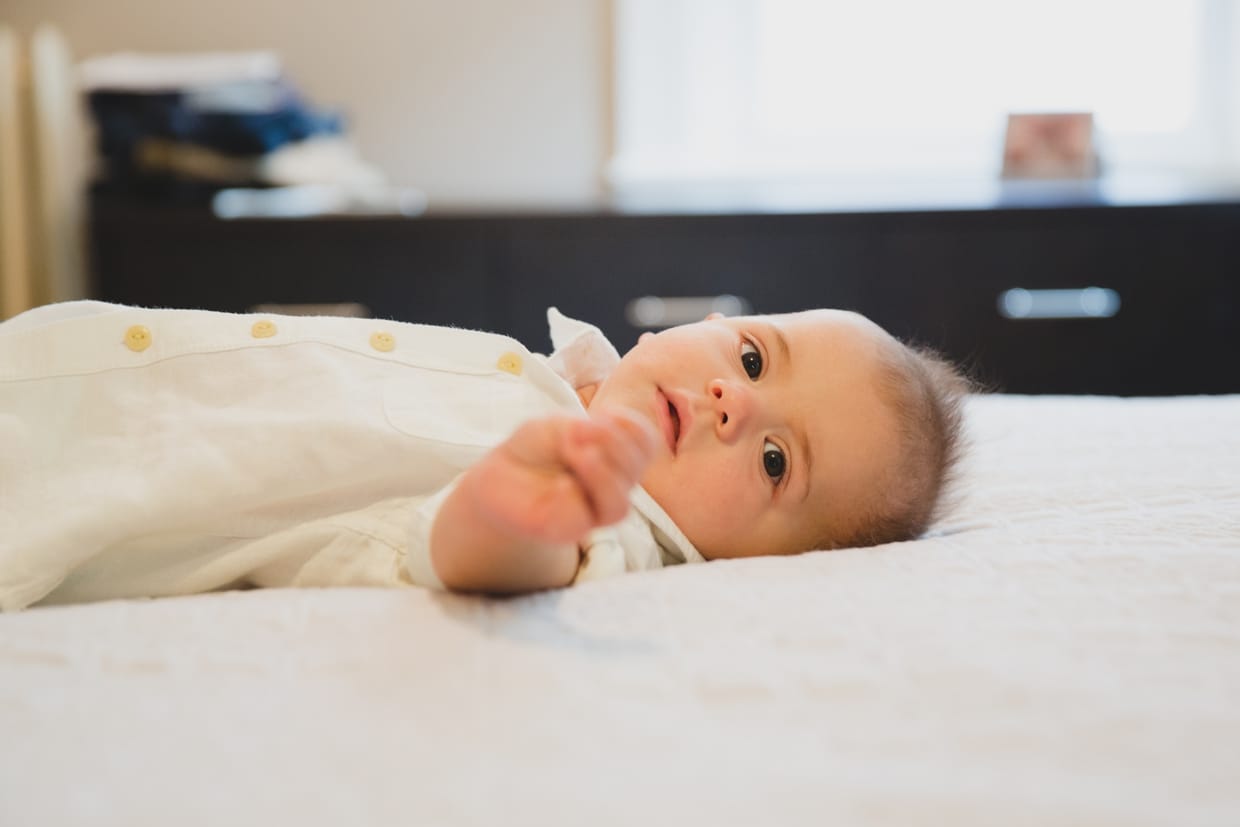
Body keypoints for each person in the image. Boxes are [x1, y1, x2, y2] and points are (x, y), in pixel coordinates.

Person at [0, 300, 967, 610]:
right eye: (754, 354)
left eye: (772, 463)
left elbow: (492, 552)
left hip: (59, 499)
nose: (733, 399)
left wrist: (514, 513)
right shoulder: (566, 377)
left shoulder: (614, 519)